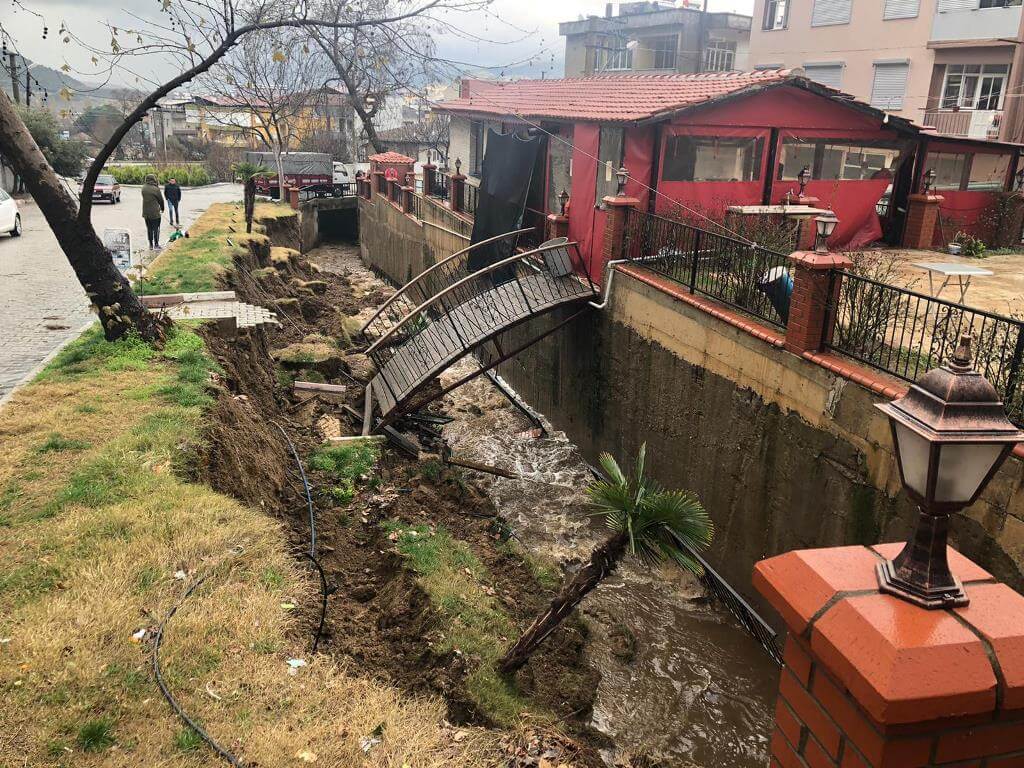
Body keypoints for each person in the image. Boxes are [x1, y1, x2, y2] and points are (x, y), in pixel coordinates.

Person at [141, 174, 165, 250]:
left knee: (149, 229)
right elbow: (161, 200)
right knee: (156, 229)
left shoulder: (143, 188)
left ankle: (150, 245)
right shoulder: (156, 189)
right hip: (155, 213)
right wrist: (162, 208)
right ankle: (156, 244)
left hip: (146, 213)